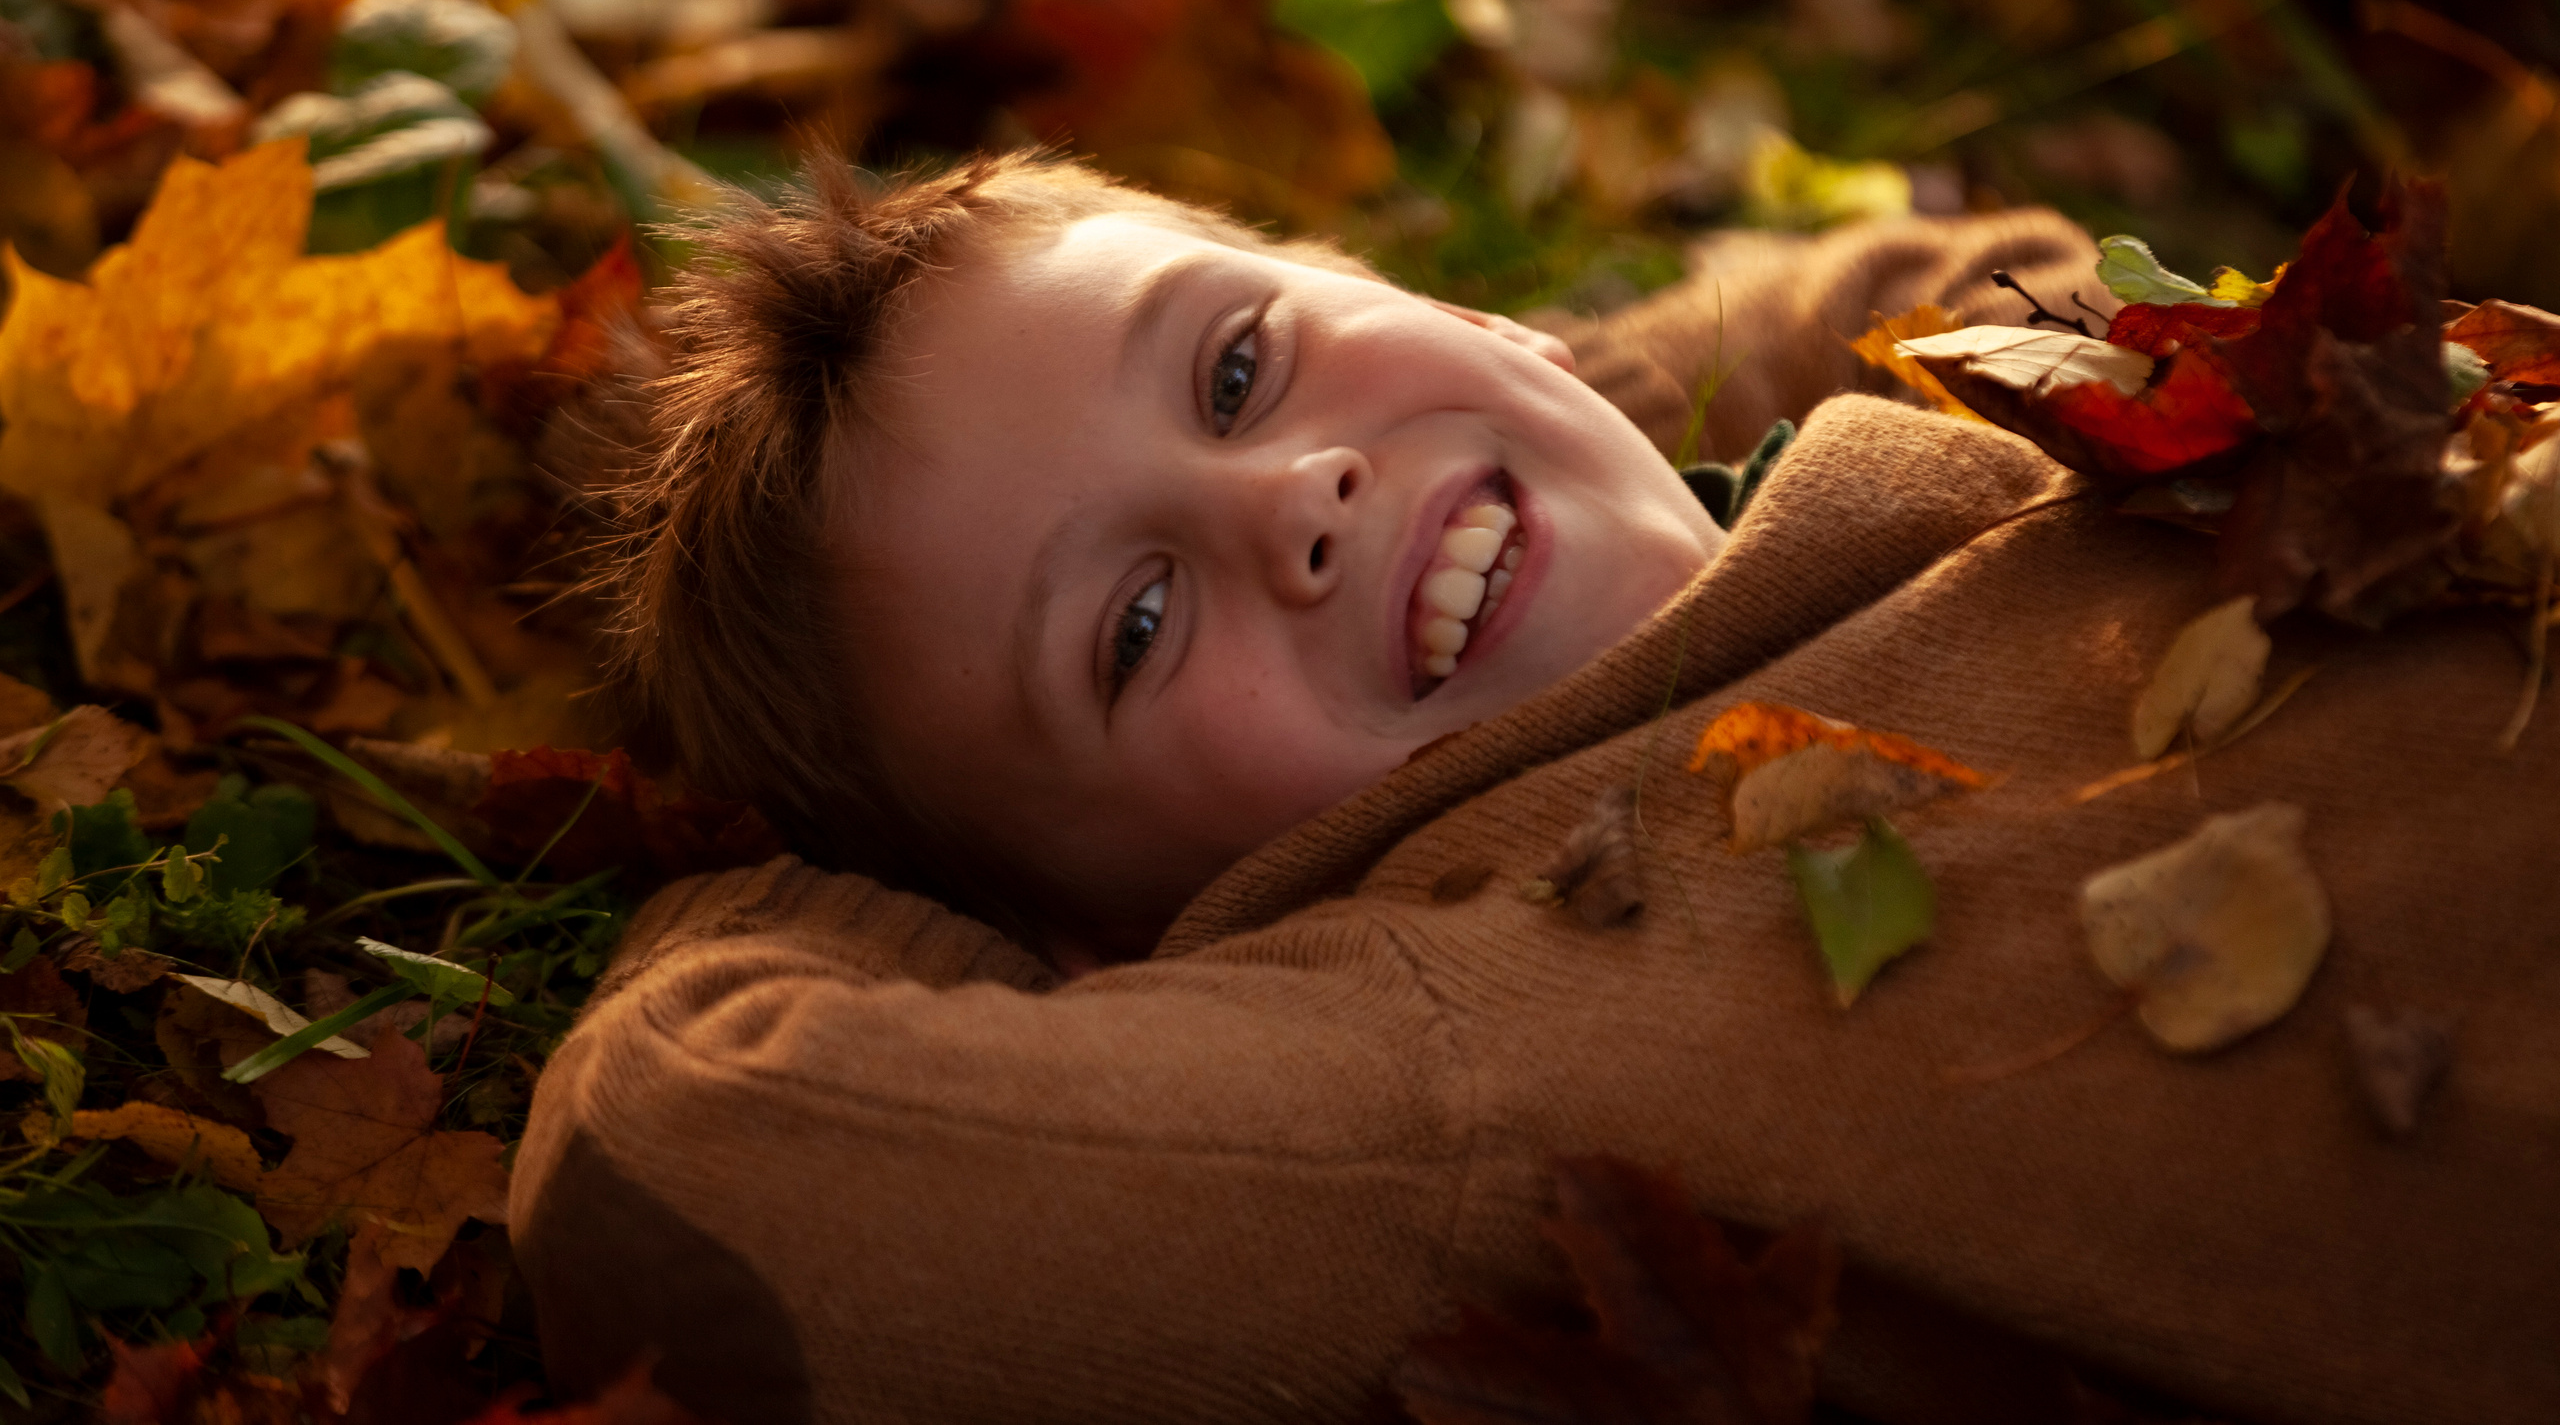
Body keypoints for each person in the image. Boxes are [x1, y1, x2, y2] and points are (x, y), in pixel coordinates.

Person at [510, 153, 2557, 1425]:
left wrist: (1534, 396)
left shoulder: (1968, 411)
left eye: (1234, 369)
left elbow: (1979, 257)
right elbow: (721, 1148)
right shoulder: (1456, 1035)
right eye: (1127, 629)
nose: (1289, 499)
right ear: (1115, 944)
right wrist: (791, 871)